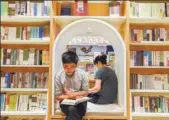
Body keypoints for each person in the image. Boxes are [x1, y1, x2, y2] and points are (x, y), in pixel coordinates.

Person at [55, 51, 89, 120]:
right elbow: (58, 96)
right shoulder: (59, 76)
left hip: (80, 102)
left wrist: (73, 95)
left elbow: (86, 92)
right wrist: (70, 96)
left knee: (74, 111)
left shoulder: (82, 74)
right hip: (66, 102)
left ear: (76, 66)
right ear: (63, 65)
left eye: (72, 66)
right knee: (72, 110)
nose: (69, 69)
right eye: (66, 66)